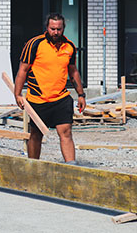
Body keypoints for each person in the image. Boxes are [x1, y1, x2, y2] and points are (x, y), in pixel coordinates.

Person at [13, 13, 86, 164]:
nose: (56, 32)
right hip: (38, 99)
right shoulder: (34, 44)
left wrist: (81, 94)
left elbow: (73, 71)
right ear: (47, 27)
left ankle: (71, 167)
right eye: (53, 29)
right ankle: (33, 166)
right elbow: (23, 70)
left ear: (63, 28)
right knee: (36, 134)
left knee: (66, 132)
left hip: (61, 99)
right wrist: (18, 94)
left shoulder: (70, 47)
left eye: (59, 29)